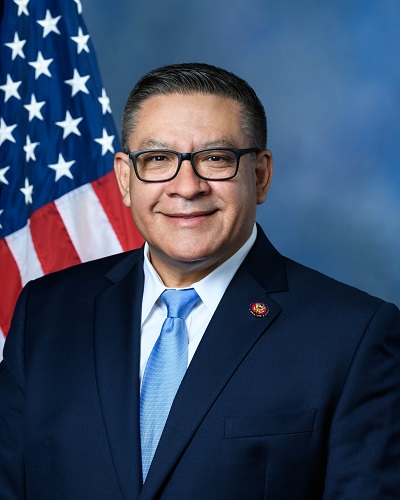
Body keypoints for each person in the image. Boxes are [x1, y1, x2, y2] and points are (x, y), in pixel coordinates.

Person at [0, 62, 399, 499]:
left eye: (215, 159)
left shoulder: (353, 335)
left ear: (260, 175)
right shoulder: (45, 313)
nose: (187, 187)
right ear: (125, 179)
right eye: (158, 159)